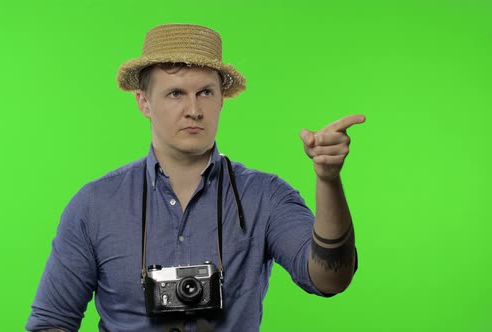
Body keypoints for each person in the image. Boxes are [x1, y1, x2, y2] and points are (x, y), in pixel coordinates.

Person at [26, 23, 363, 332]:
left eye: (205, 92)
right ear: (144, 102)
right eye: (175, 94)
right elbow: (51, 321)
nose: (194, 110)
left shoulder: (265, 196)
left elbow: (331, 279)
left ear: (221, 100)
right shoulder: (94, 205)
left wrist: (328, 179)